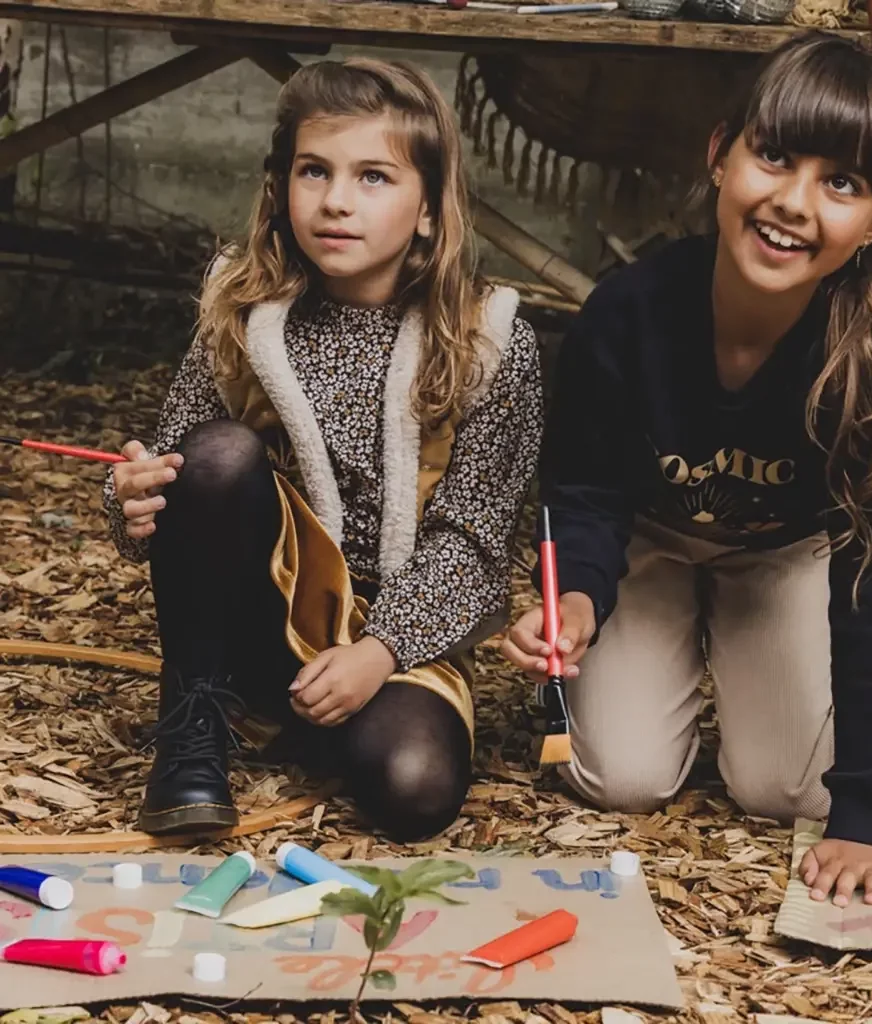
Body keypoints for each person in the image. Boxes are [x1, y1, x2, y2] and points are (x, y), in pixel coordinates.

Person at [502, 32, 872, 906]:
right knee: (618, 780)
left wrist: (865, 814)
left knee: (790, 791)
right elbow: (584, 493)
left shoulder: (870, 363)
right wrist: (582, 595)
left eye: (843, 183)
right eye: (774, 155)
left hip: (789, 551)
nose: (792, 202)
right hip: (656, 544)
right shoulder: (623, 316)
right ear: (720, 154)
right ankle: (689, 646)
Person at [104, 58, 543, 842]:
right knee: (217, 455)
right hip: (268, 609)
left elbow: (474, 543)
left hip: (401, 630)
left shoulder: (489, 340)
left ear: (430, 210)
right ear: (280, 190)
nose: (336, 201)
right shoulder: (242, 310)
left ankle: (317, 719)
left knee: (416, 790)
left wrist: (380, 652)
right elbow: (183, 473)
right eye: (315, 171)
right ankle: (193, 728)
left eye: (374, 177)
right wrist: (130, 497)